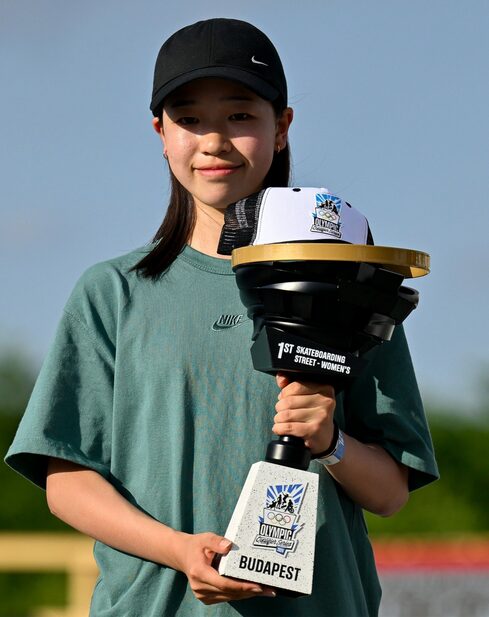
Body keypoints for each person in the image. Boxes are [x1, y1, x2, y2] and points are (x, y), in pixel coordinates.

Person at [5, 18, 438, 617]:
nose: (214, 141)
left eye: (240, 116)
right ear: (160, 133)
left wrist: (331, 441)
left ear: (282, 127)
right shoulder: (112, 293)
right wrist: (180, 551)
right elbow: (67, 480)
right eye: (188, 119)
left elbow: (390, 493)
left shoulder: (350, 287)